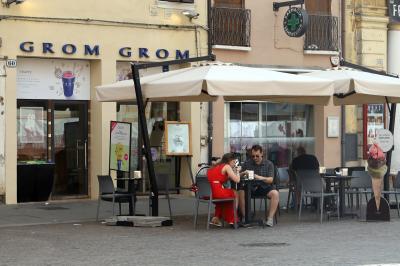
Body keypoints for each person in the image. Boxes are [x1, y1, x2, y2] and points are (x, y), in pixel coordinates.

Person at [238, 145, 279, 227]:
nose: (255, 158)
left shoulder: (269, 164)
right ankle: (245, 217)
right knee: (241, 192)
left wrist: (258, 177)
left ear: (262, 154)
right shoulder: (247, 163)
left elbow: (271, 180)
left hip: (264, 187)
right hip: (250, 187)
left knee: (275, 193)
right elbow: (238, 176)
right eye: (253, 156)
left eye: (257, 156)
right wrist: (243, 173)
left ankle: (270, 219)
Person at [207, 153, 244, 227]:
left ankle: (216, 218)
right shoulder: (227, 166)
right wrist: (237, 171)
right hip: (218, 193)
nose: (234, 164)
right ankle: (233, 218)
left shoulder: (216, 166)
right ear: (230, 160)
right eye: (234, 162)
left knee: (226, 196)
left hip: (211, 193)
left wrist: (235, 172)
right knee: (234, 193)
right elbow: (237, 180)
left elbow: (225, 177)